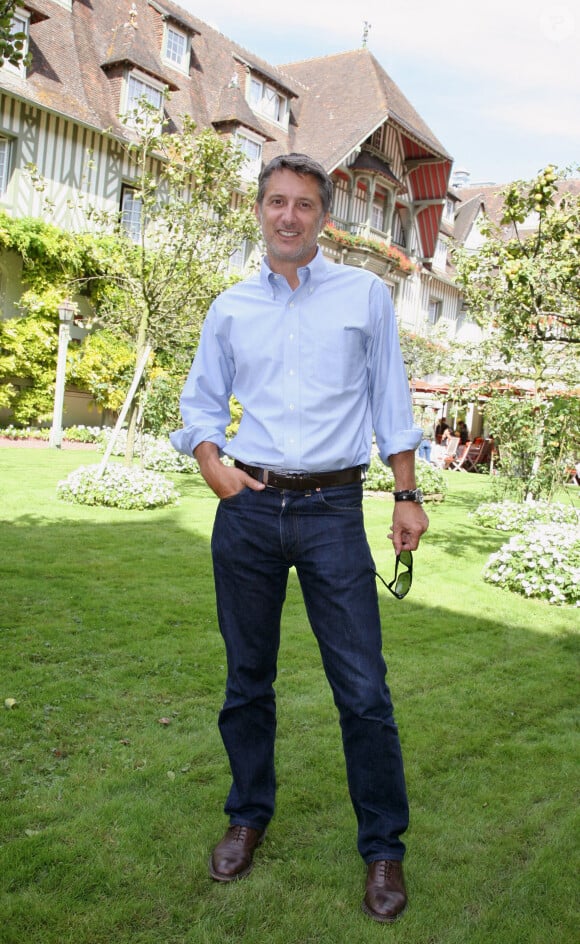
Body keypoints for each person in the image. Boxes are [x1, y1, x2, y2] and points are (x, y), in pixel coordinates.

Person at [171, 153, 429, 924]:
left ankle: (383, 848)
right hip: (248, 509)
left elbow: (392, 397)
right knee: (247, 679)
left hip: (331, 511)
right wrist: (212, 464)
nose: (289, 216)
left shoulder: (365, 297)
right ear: (259, 210)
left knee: (364, 690)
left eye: (305, 205)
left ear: (325, 218)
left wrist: (407, 493)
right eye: (277, 202)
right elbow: (200, 403)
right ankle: (248, 815)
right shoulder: (230, 307)